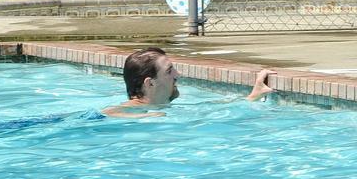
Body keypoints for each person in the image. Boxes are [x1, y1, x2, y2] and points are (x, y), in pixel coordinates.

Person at [102, 47, 275, 117]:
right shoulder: (134, 110)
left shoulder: (159, 108)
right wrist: (145, 117)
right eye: (170, 71)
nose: (178, 74)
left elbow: (211, 107)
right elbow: (107, 113)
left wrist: (253, 96)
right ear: (150, 83)